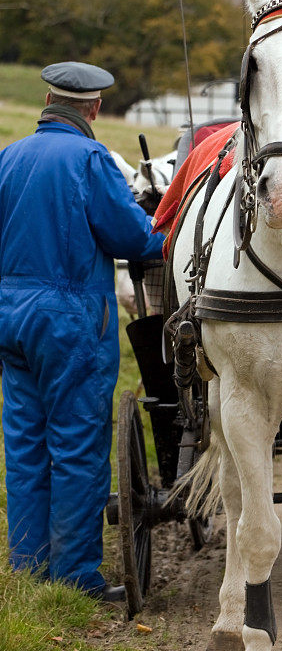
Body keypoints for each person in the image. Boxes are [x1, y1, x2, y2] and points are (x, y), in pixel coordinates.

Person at [0, 62, 165, 601]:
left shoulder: (9, 157)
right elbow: (128, 238)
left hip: (11, 313)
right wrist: (166, 240)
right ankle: (74, 579)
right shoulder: (90, 158)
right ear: (93, 108)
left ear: (50, 99)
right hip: (68, 315)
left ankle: (28, 570)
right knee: (76, 443)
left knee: (26, 443)